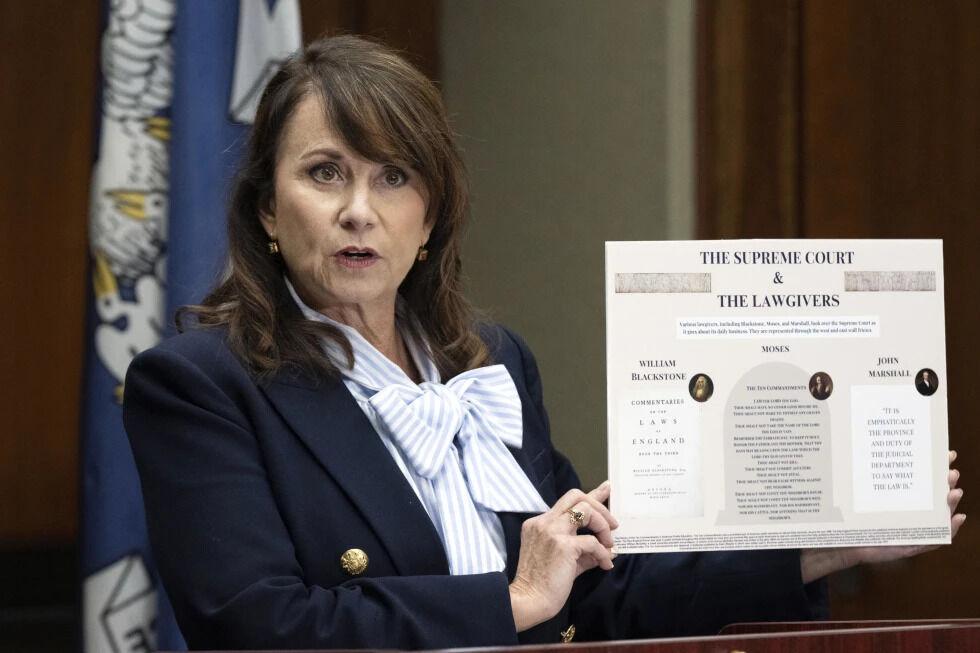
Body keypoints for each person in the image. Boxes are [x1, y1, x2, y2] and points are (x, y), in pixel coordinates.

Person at [123, 35, 965, 650]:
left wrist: (829, 539)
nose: (358, 211)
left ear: (431, 216)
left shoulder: (491, 361)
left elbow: (597, 602)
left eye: (394, 176)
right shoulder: (200, 382)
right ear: (269, 211)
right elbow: (258, 628)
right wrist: (514, 594)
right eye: (324, 172)